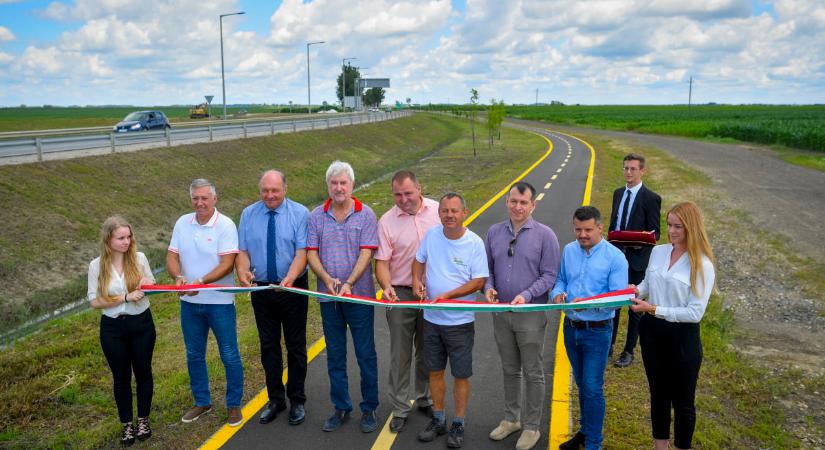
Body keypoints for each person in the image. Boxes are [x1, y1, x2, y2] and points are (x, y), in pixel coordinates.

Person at [630, 201, 715, 450]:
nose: (673, 231)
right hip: (652, 333)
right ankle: (660, 447)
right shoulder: (658, 251)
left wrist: (654, 308)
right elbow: (647, 283)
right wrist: (634, 290)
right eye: (669, 225)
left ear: (692, 227)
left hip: (682, 339)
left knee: (683, 401)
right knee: (658, 395)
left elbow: (694, 313)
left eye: (679, 226)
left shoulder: (702, 264)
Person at [484, 182, 560, 450]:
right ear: (507, 201)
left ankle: (531, 426)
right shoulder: (493, 232)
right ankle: (511, 419)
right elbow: (488, 269)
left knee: (532, 371)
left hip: (530, 313)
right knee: (509, 369)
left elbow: (550, 275)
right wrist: (489, 287)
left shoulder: (545, 235)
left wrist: (527, 295)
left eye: (523, 203)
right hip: (501, 312)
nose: (517, 207)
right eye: (513, 201)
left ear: (532, 205)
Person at [306, 160, 381, 433]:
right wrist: (327, 280)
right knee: (335, 355)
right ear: (328, 185)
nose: (339, 188)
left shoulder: (366, 214)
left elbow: (367, 253)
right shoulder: (316, 216)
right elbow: (311, 252)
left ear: (352, 185)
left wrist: (349, 282)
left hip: (359, 298)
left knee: (365, 354)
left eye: (343, 183)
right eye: (334, 183)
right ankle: (341, 407)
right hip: (329, 300)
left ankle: (370, 407)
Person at [412, 192, 488, 449]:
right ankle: (439, 418)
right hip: (432, 320)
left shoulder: (474, 243)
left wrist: (448, 295)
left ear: (464, 212)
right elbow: (418, 261)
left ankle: (459, 423)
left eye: (454, 211)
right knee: (434, 372)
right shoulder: (432, 236)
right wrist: (416, 281)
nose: (449, 215)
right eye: (445, 211)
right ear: (439, 213)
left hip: (460, 323)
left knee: (461, 375)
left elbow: (479, 281)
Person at [166, 178, 244, 427]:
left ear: (214, 199)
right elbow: (172, 255)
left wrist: (198, 281)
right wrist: (178, 277)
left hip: (219, 302)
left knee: (229, 354)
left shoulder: (226, 225)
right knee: (194, 354)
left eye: (204, 198)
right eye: (195, 198)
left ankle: (233, 405)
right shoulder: (182, 223)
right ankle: (202, 401)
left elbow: (227, 264)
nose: (200, 203)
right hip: (189, 304)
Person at [236, 170, 310, 426]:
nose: (270, 195)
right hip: (262, 289)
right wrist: (243, 271)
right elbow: (242, 251)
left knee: (296, 345)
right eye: (265, 191)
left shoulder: (300, 214)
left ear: (285, 189)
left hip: (293, 286)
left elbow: (302, 253)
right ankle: (276, 399)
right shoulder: (248, 214)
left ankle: (297, 399)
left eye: (275, 190)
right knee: (268, 346)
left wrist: (288, 279)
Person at [551, 206, 628, 450]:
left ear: (599, 228)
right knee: (582, 385)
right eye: (577, 229)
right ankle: (584, 433)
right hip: (571, 328)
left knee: (593, 387)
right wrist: (557, 294)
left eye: (587, 230)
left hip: (597, 331)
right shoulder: (569, 250)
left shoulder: (615, 257)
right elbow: (561, 279)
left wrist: (586, 303)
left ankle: (594, 443)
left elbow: (617, 300)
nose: (582, 235)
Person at [375, 170, 440, 433]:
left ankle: (424, 396)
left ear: (419, 188)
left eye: (408, 193)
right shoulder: (386, 221)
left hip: (433, 293)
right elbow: (381, 263)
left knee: (427, 350)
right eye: (398, 194)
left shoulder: (438, 211)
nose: (403, 199)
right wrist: (386, 286)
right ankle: (400, 407)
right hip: (400, 293)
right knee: (400, 353)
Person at [87, 216, 156, 446]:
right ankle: (127, 424)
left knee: (143, 372)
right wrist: (124, 297)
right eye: (121, 238)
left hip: (142, 324)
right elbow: (95, 301)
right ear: (108, 240)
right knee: (121, 377)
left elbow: (152, 283)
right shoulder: (96, 265)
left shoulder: (139, 258)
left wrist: (147, 282)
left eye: (128, 237)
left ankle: (143, 419)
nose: (127, 242)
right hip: (113, 328)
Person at [608, 153, 661, 368]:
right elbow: (614, 224)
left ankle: (628, 350)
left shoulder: (651, 198)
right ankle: (608, 346)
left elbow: (655, 233)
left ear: (642, 171)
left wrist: (642, 241)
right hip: (616, 257)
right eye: (625, 168)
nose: (628, 172)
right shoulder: (618, 193)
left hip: (637, 260)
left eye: (632, 169)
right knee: (613, 304)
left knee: (633, 307)